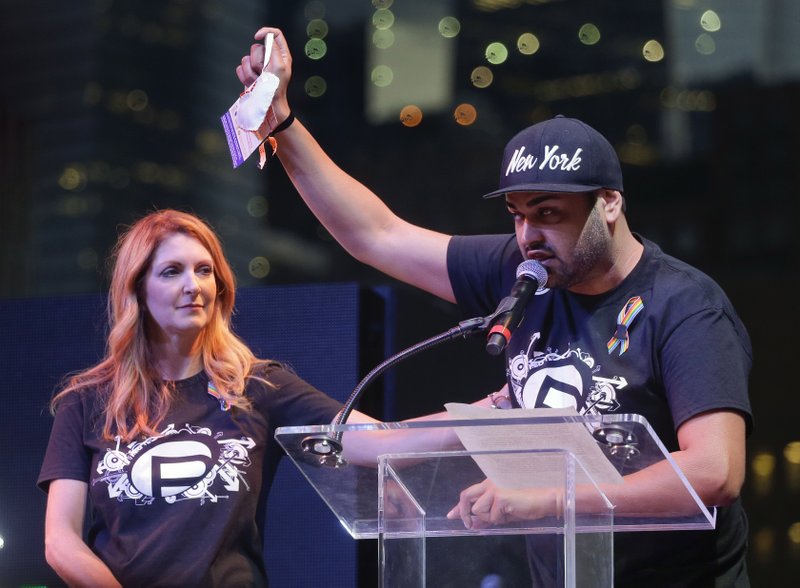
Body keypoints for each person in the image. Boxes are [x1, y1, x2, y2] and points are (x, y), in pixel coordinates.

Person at [236, 27, 753, 586]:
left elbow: (716, 470)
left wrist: (547, 500)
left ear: (609, 203)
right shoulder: (525, 275)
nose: (528, 233)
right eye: (516, 212)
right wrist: (283, 125)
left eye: (549, 213)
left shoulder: (685, 305)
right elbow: (376, 235)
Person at [37, 209, 366, 586]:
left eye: (204, 270)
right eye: (172, 271)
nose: (193, 285)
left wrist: (452, 424)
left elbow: (380, 439)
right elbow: (60, 542)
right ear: (138, 290)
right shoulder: (87, 401)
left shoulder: (255, 387)